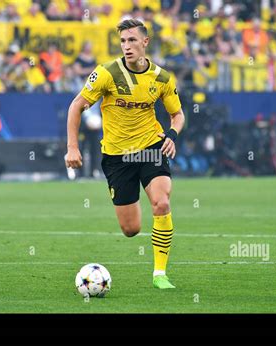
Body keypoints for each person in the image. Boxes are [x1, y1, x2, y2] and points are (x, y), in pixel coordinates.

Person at [65, 19, 185, 289]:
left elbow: (177, 114)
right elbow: (76, 106)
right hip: (118, 157)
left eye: (132, 40)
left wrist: (172, 134)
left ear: (145, 42)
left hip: (150, 148)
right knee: (130, 230)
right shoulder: (107, 73)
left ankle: (159, 274)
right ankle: (136, 205)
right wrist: (72, 147)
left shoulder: (163, 78)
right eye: (122, 41)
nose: (127, 46)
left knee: (162, 203)